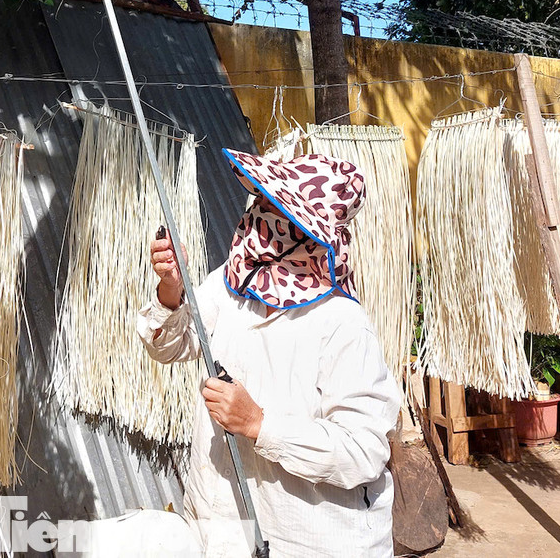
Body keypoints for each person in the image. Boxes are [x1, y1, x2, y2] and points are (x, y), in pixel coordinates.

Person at [137, 149, 399, 558]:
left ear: (305, 233)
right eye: (261, 201)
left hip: (310, 541)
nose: (258, 216)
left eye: (275, 209)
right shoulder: (235, 284)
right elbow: (169, 345)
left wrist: (259, 424)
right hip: (221, 523)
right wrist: (172, 287)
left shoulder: (342, 323)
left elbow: (363, 451)